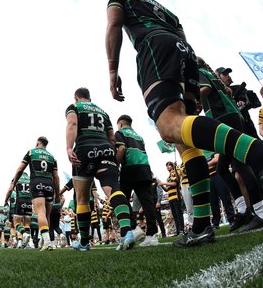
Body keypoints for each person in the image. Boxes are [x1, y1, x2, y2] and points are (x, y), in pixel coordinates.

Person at [105, 0, 263, 240]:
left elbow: (115, 22)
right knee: (185, 140)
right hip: (183, 53)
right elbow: (183, 38)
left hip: (154, 48)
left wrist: (112, 70)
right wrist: (192, 89)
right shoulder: (164, 11)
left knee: (168, 126)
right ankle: (201, 225)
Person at [199, 58, 263, 232]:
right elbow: (228, 92)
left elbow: (205, 89)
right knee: (222, 168)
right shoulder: (211, 74)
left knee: (240, 164)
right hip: (231, 117)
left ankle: (261, 213)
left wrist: (193, 101)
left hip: (225, 118)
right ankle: (244, 210)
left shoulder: (200, 72)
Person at [66, 87, 134, 251]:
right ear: (89, 98)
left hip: (84, 149)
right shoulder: (103, 112)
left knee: (82, 198)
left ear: (76, 97)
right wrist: (110, 158)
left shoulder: (74, 107)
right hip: (105, 149)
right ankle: (127, 232)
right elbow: (112, 138)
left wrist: (69, 148)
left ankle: (84, 242)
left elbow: (72, 123)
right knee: (113, 188)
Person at [115, 114, 160, 246]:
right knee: (147, 202)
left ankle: (135, 228)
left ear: (121, 124)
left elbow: (122, 148)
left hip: (130, 169)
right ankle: (152, 235)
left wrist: (117, 163)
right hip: (145, 169)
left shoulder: (120, 132)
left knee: (121, 199)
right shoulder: (139, 136)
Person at [10, 136, 60, 251]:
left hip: (37, 181)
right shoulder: (52, 157)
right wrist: (57, 194)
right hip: (49, 183)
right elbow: (56, 177)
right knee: (47, 215)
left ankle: (46, 242)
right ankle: (47, 241)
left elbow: (20, 170)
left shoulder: (31, 152)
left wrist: (14, 182)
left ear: (38, 143)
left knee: (40, 212)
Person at [215, 67, 261, 139]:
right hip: (229, 133)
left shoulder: (238, 88)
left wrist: (245, 103)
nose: (228, 76)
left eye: (228, 74)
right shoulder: (216, 96)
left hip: (247, 129)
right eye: (224, 74)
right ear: (217, 77)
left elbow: (255, 102)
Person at [4, 172, 32, 249]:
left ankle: (23, 235)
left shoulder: (17, 178)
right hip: (29, 201)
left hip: (20, 201)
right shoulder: (30, 179)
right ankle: (27, 242)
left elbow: (10, 190)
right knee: (26, 224)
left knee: (15, 223)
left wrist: (5, 200)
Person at [158, 162, 185, 236]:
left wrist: (163, 183)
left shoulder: (174, 173)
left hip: (176, 196)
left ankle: (182, 230)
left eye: (169, 165)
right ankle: (178, 231)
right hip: (170, 198)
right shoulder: (168, 177)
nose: (168, 167)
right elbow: (167, 189)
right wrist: (161, 184)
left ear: (172, 166)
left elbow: (175, 183)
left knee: (179, 214)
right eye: (166, 166)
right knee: (175, 215)